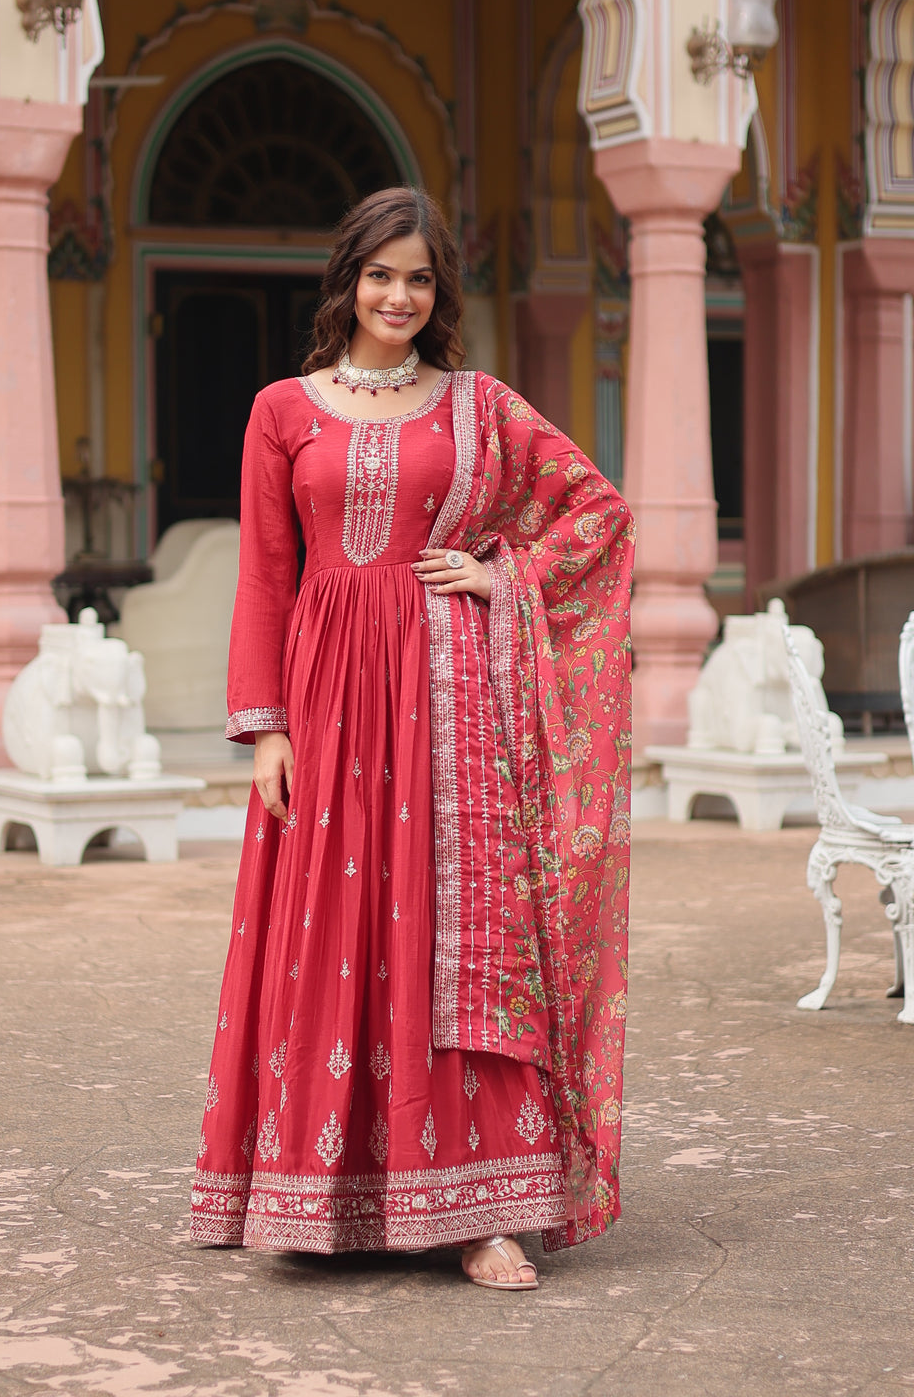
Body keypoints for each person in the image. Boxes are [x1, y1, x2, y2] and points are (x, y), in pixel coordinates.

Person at [190, 187, 634, 1289]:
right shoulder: (281, 410)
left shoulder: (478, 406)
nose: (399, 296)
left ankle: (482, 1213)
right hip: (327, 701)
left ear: (441, 292)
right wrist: (266, 729)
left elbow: (597, 511)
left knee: (457, 938)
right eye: (381, 275)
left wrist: (501, 575)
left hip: (449, 702)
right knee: (330, 931)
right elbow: (266, 576)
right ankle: (322, 1193)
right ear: (348, 281)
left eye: (419, 278)